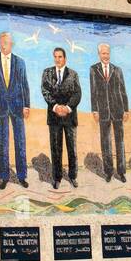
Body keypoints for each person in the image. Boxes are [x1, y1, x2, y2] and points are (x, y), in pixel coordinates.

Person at [0, 31, 31, 189]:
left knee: (20, 142)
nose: (3, 45)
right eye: (1, 42)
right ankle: (4, 176)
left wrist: (27, 105)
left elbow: (25, 84)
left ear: (11, 44)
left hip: (18, 106)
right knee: (2, 142)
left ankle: (21, 176)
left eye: (6, 42)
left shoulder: (20, 62)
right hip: (0, 106)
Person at [89, 43, 130, 182]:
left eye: (107, 53)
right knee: (105, 142)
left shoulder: (117, 70)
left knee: (120, 142)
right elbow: (93, 91)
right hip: (103, 111)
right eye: (103, 53)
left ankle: (121, 172)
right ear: (99, 54)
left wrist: (126, 109)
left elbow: (123, 90)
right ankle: (108, 172)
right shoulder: (93, 69)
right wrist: (95, 109)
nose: (106, 56)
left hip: (118, 110)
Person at [42, 46, 82, 188]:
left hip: (69, 117)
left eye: (60, 57)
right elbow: (45, 91)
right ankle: (57, 178)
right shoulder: (47, 73)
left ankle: (72, 177)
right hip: (54, 117)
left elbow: (77, 94)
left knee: (72, 149)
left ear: (65, 58)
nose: (57, 59)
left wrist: (67, 108)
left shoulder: (73, 74)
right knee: (56, 149)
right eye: (55, 57)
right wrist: (55, 107)